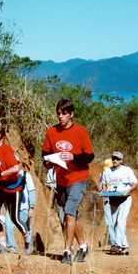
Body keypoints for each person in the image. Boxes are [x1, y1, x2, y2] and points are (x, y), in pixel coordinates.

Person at [41, 99, 95, 265]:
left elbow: (89, 156)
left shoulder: (81, 132)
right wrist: (49, 162)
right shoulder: (52, 132)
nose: (60, 116)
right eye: (58, 113)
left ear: (71, 114)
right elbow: (44, 154)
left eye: (64, 113)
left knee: (70, 212)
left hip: (78, 178)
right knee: (68, 217)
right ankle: (84, 246)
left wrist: (73, 157)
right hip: (61, 180)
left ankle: (66, 250)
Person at [0, 125, 33, 254]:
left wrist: (0, 174)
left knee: (15, 218)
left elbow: (16, 168)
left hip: (13, 188)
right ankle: (3, 244)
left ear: (3, 138)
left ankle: (28, 239)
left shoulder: (7, 150)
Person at [100, 152, 138, 255]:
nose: (115, 160)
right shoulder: (107, 172)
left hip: (125, 198)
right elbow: (104, 184)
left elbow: (135, 184)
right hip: (113, 198)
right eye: (113, 158)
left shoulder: (127, 170)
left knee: (121, 221)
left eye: (117, 159)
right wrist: (104, 191)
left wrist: (128, 190)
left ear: (121, 160)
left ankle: (123, 246)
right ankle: (119, 246)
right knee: (113, 223)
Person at [3, 153, 36, 254]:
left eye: (16, 162)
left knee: (24, 225)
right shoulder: (6, 176)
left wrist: (31, 207)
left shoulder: (25, 175)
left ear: (20, 163)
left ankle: (28, 245)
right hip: (11, 207)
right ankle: (12, 247)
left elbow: (32, 191)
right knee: (9, 225)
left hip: (24, 207)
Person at [99, 158, 116, 249]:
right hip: (108, 199)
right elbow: (101, 187)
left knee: (118, 221)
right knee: (109, 221)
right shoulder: (102, 174)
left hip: (118, 199)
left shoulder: (119, 174)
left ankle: (119, 241)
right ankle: (113, 242)